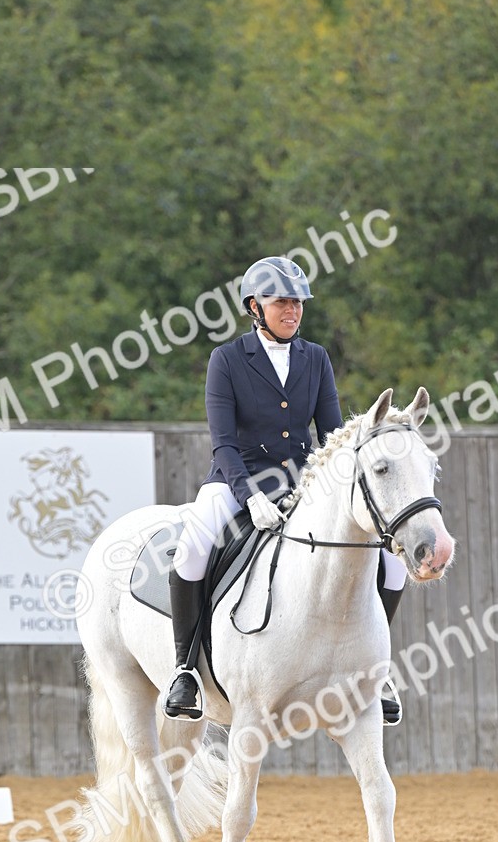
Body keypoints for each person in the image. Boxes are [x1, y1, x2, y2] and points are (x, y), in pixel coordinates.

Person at [162, 256, 407, 723]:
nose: (292, 311)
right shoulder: (227, 360)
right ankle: (187, 670)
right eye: (282, 302)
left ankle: (379, 668)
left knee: (389, 556)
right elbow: (224, 443)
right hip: (237, 482)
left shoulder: (315, 358)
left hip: (303, 485)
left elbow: (334, 435)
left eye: (297, 303)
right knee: (192, 548)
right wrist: (250, 495)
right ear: (255, 306)